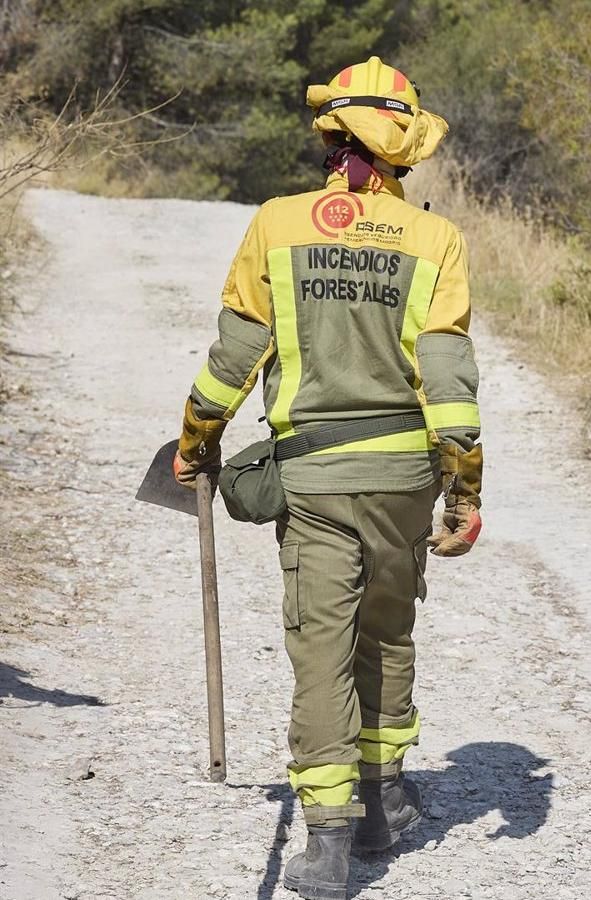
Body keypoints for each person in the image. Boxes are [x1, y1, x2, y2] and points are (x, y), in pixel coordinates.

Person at [171, 56, 483, 900]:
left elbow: (235, 357)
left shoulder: (277, 225)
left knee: (321, 652)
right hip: (405, 481)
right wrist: (464, 490)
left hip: (313, 483)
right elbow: (449, 381)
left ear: (329, 135)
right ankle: (383, 806)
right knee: (386, 637)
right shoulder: (435, 240)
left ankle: (327, 844)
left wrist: (197, 440)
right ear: (405, 148)